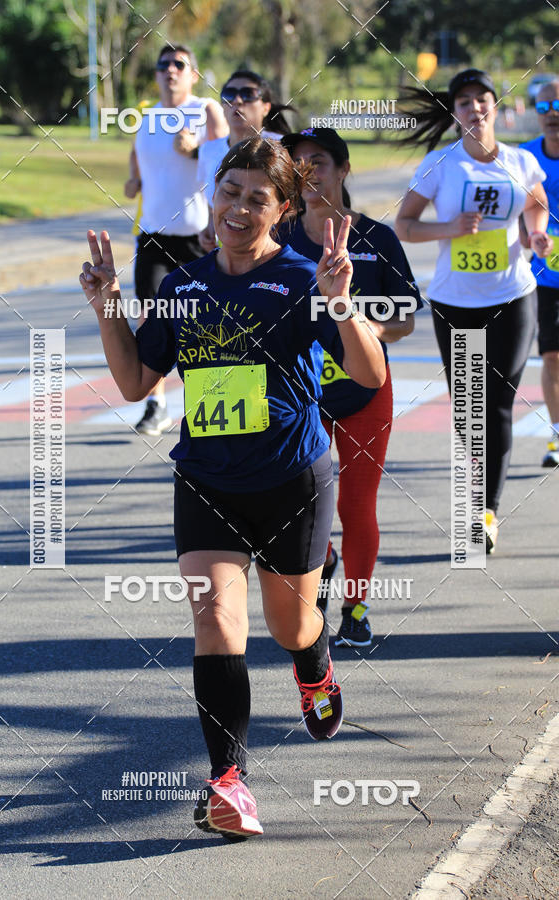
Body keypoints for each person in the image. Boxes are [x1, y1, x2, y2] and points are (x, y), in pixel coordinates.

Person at [80, 137, 385, 840]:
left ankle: (314, 665)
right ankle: (228, 783)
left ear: (281, 210)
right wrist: (109, 307)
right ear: (212, 196)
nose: (238, 208)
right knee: (217, 620)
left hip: (292, 480)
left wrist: (342, 305)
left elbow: (368, 376)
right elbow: (135, 384)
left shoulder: (306, 279)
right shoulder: (181, 287)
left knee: (289, 626)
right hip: (207, 481)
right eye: (229, 191)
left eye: (257, 197)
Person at [395, 69, 553, 554]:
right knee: (468, 410)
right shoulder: (441, 165)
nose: (474, 109)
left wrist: (536, 233)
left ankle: (485, 511)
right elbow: (404, 225)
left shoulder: (520, 161)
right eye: (463, 102)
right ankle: (472, 498)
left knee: (499, 404)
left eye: (481, 100)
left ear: (494, 105)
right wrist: (450, 228)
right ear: (455, 112)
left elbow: (537, 202)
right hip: (456, 303)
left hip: (512, 295)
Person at [281, 127, 422, 647]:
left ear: (343, 169)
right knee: (300, 502)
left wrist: (359, 331)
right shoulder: (279, 237)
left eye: (318, 160)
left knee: (356, 506)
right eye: (297, 163)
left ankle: (356, 607)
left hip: (365, 392)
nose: (308, 171)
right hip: (299, 397)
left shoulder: (377, 239)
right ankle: (326, 557)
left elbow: (405, 317)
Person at [126, 43, 227, 436]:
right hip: (152, 235)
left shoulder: (206, 110)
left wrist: (195, 150)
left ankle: (210, 402)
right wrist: (133, 180)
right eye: (164, 64)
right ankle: (157, 404)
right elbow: (139, 158)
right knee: (150, 317)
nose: (171, 70)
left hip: (196, 238)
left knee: (202, 323)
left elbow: (225, 162)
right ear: (156, 74)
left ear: (194, 75)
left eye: (180, 64)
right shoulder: (146, 117)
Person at [198, 69, 293, 253]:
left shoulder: (284, 147)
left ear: (266, 107)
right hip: (225, 255)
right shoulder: (208, 150)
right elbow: (213, 201)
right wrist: (210, 226)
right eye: (229, 94)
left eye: (248, 95)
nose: (237, 101)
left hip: (270, 255)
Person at [520, 81, 559, 467]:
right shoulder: (526, 157)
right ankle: (557, 433)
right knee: (552, 357)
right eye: (545, 104)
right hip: (543, 277)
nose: (552, 111)